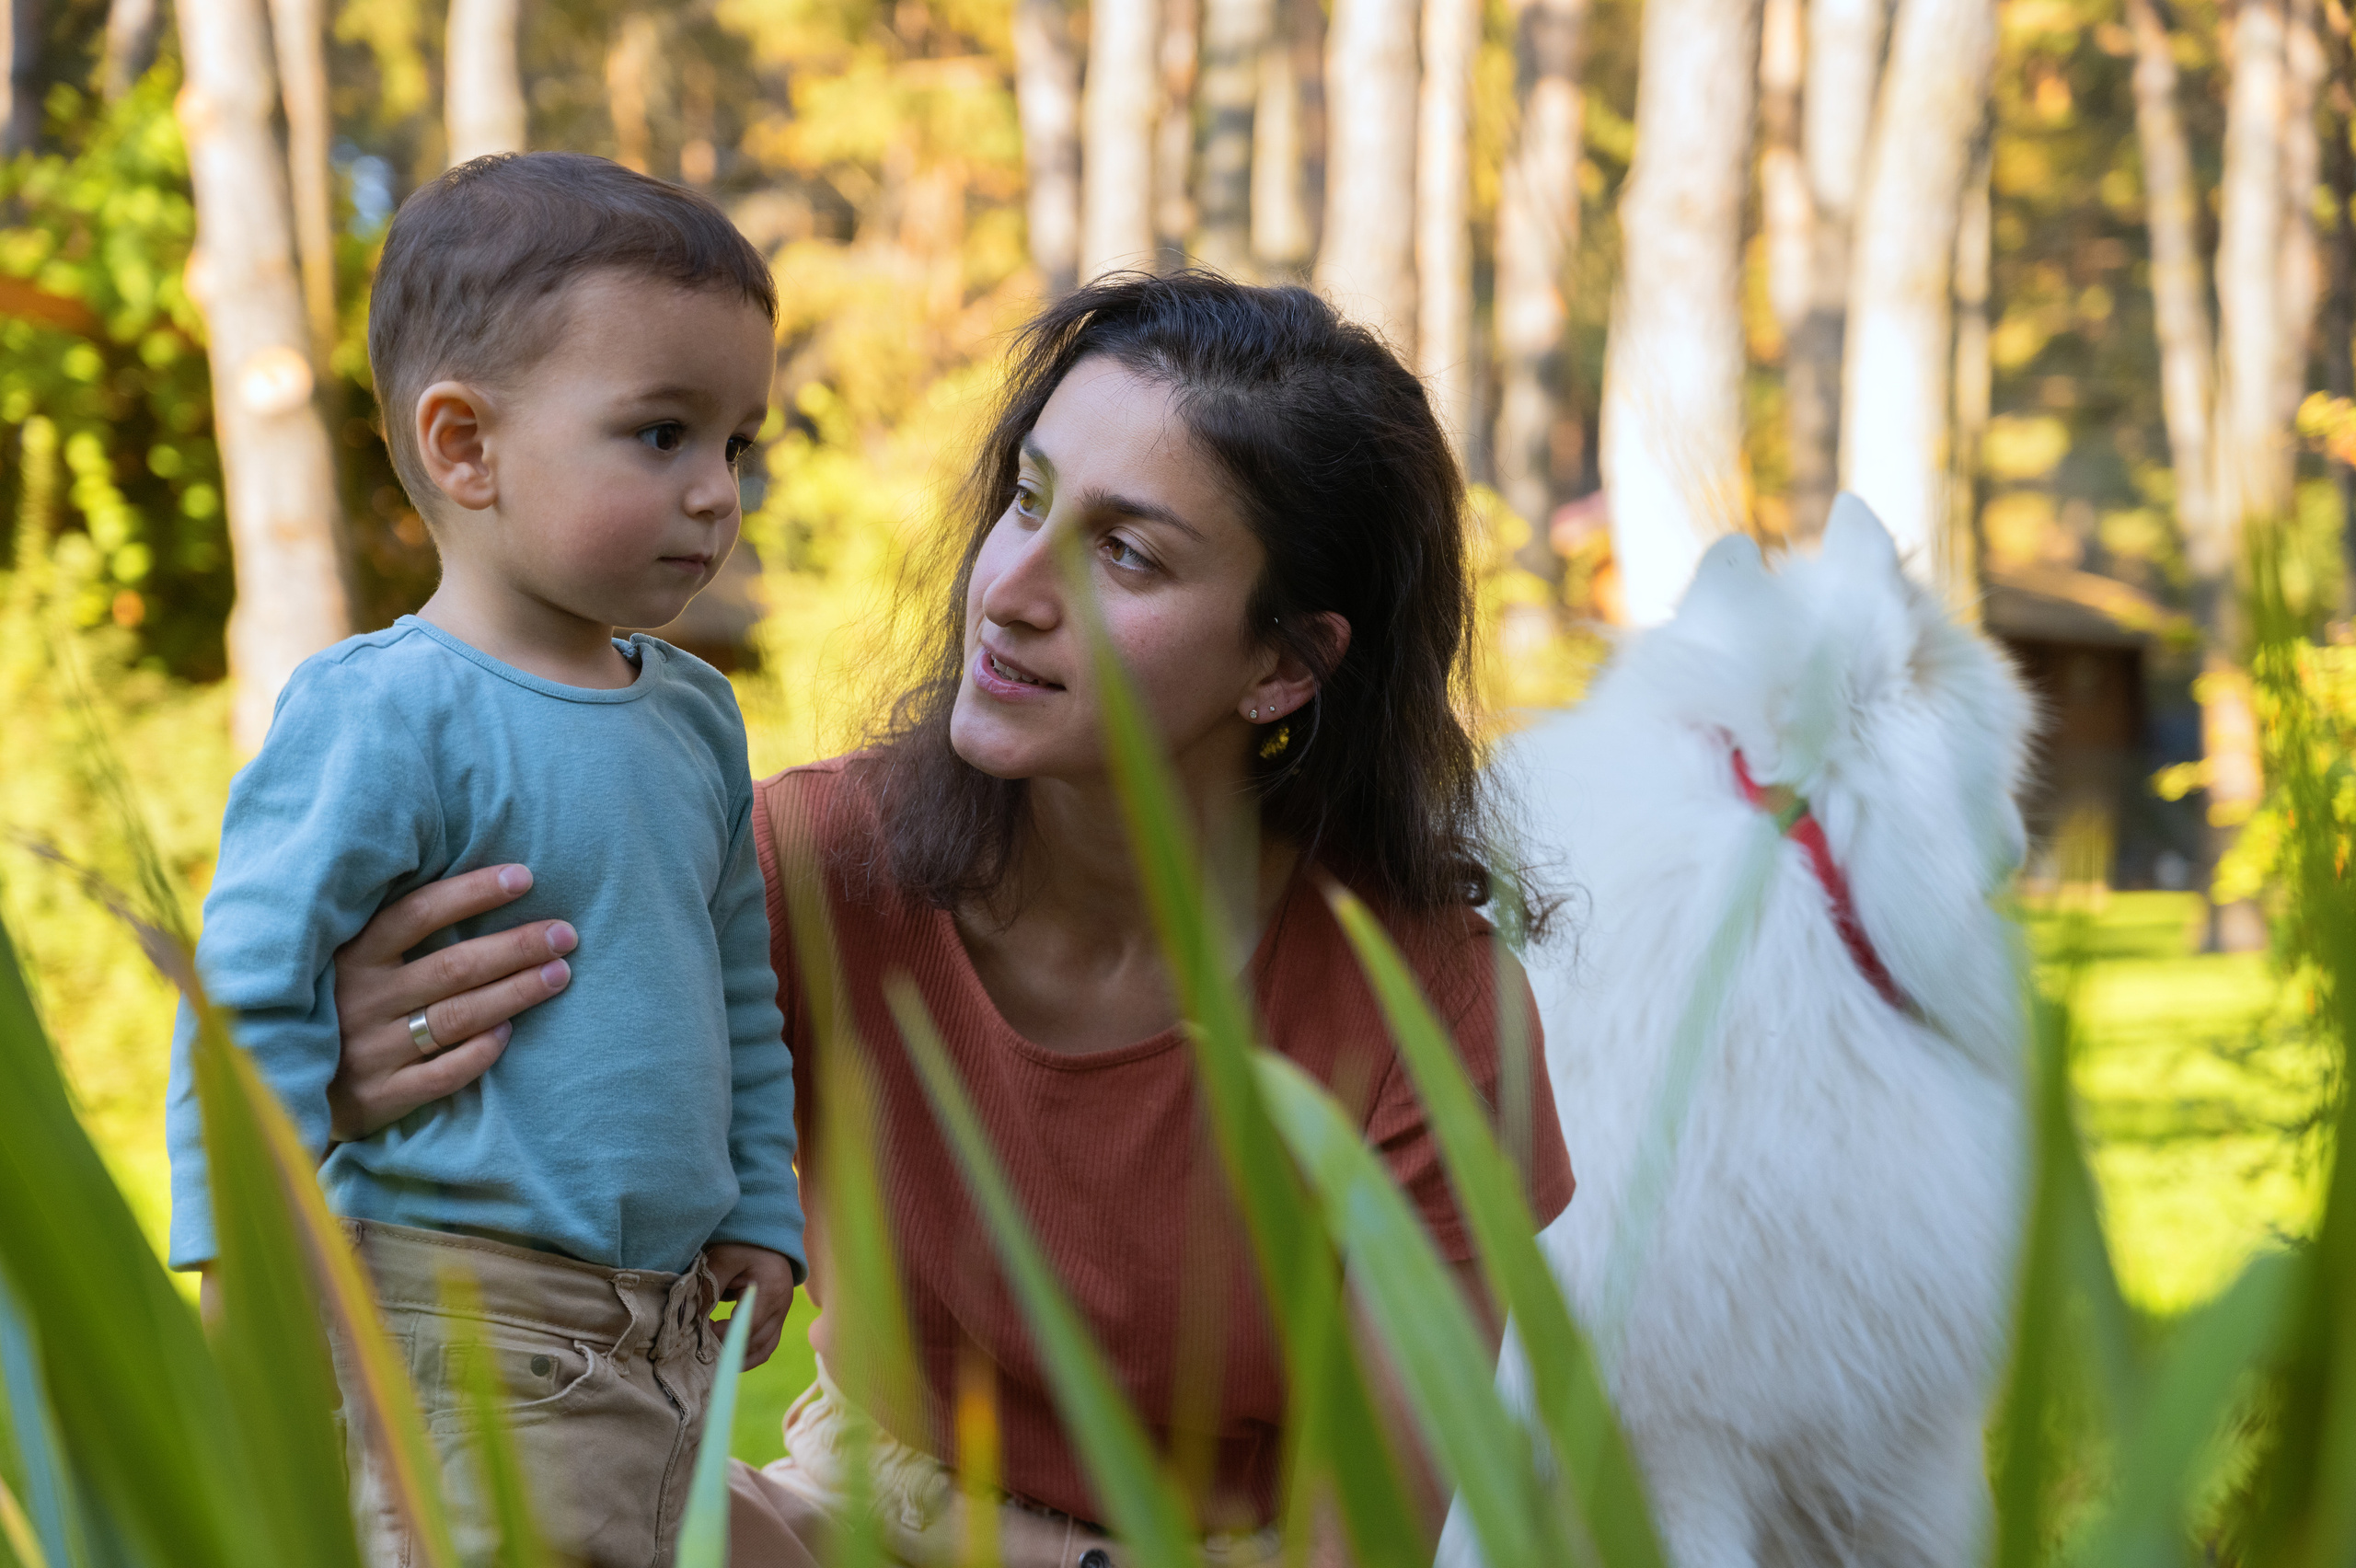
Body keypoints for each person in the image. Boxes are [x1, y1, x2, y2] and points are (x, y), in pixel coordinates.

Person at [324, 273, 1576, 1568]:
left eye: (1129, 554)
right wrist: (354, 1070)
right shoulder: (811, 869)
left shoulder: (1430, 1010)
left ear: (1283, 666)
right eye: (1028, 502)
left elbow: (1355, 1546)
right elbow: (508, 1299)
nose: (1014, 590)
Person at [165, 152, 804, 1566]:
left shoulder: (694, 715)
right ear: (465, 448)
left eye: (736, 445)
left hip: (662, 1333)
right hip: (456, 1330)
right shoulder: (389, 712)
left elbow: (735, 990)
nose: (716, 495)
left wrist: (763, 1204)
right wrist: (244, 1266)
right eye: (660, 435)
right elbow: (249, 998)